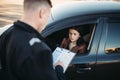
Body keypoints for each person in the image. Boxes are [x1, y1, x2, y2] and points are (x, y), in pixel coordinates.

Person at [0, 0, 66, 80]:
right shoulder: (40, 51)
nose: (46, 22)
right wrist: (59, 69)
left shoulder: (7, 33)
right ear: (42, 12)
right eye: (48, 17)